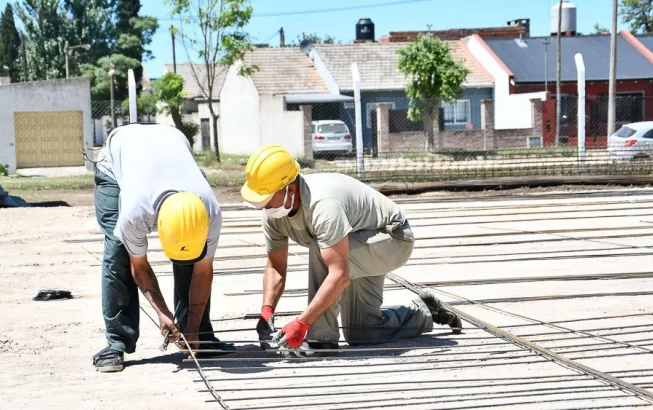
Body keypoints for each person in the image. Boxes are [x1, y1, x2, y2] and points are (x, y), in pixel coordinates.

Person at [240, 145, 461, 357]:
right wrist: (266, 312)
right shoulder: (274, 213)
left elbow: (339, 274)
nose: (264, 206)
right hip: (359, 243)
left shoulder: (323, 205)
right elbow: (276, 267)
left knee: (320, 249)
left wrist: (302, 324)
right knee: (364, 332)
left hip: (393, 238)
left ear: (290, 188)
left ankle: (321, 340)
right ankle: (424, 311)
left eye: (266, 198)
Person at [91, 123, 234, 372]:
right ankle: (117, 342)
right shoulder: (135, 214)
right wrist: (163, 313)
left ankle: (197, 333)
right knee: (118, 249)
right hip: (118, 160)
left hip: (171, 143)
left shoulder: (208, 211)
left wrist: (191, 323)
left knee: (194, 253)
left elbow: (202, 271)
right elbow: (140, 267)